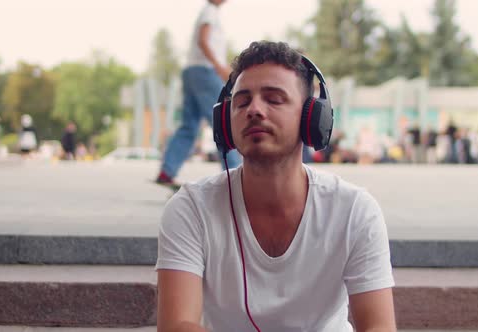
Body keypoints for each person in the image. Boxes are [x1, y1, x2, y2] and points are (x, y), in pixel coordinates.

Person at [156, 41, 396, 332]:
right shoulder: (191, 208)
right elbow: (176, 325)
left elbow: (378, 327)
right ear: (225, 122)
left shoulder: (355, 211)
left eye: (274, 99)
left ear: (311, 119)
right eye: (242, 101)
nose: (254, 109)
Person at [155, 0, 241, 187]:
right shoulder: (210, 11)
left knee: (189, 126)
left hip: (191, 71)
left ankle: (167, 170)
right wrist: (219, 67)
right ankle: (236, 173)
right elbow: (203, 41)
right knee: (223, 121)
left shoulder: (208, 12)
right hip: (205, 72)